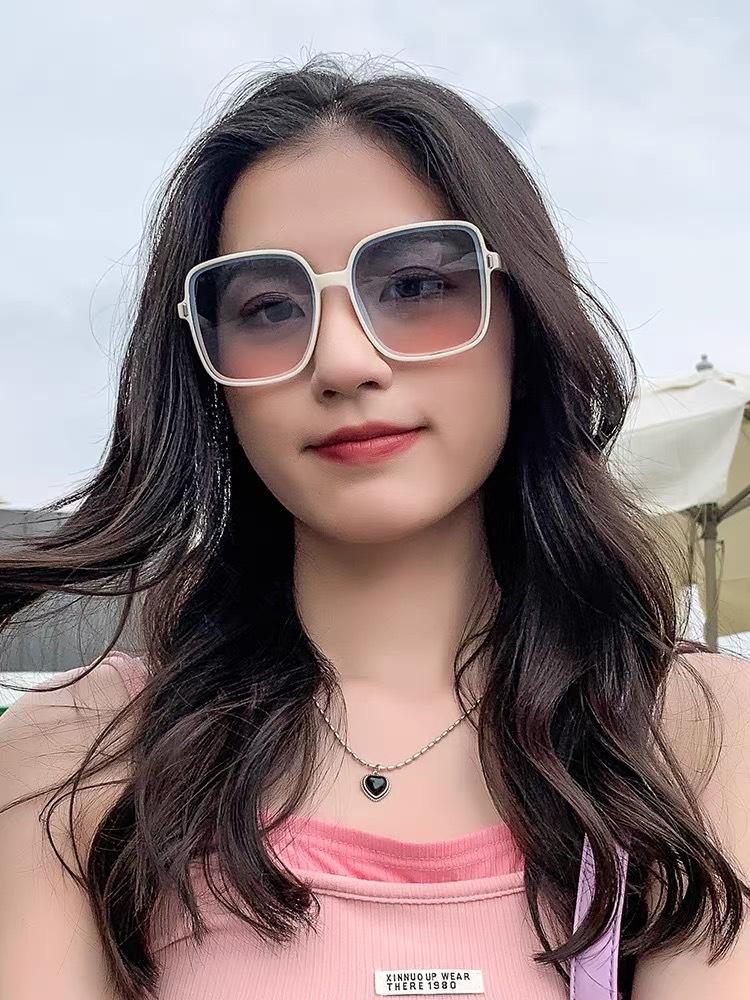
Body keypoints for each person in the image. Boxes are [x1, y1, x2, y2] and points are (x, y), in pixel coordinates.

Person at [0, 54, 748, 1000]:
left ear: (522, 322)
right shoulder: (77, 754)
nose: (344, 361)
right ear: (208, 374)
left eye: (417, 285)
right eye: (269, 308)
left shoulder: (694, 731)